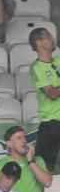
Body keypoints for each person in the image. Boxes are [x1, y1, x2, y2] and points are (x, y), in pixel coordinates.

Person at [31, 27, 60, 173]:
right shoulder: (37, 68)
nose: (53, 40)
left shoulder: (59, 61)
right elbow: (52, 93)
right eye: (49, 37)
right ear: (39, 42)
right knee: (44, 168)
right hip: (52, 124)